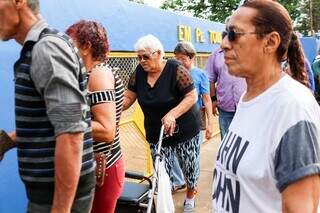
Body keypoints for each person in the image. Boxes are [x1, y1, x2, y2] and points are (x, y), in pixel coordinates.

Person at [212, 1, 320, 212]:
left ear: (270, 42)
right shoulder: (249, 97)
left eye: (234, 34)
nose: (224, 44)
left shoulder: (292, 109)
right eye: (224, 34)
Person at [0, 0, 96, 212]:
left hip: (56, 197)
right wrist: (7, 141)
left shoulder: (46, 48)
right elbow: (49, 122)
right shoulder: (42, 46)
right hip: (49, 193)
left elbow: (71, 133)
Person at [123, 34, 201, 212]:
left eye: (145, 56)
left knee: (189, 167)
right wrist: (111, 109)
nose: (141, 61)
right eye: (139, 57)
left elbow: (191, 96)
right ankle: (167, 198)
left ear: (158, 53)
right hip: (156, 132)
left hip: (185, 130)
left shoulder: (176, 69)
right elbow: (128, 97)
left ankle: (190, 195)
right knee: (161, 172)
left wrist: (173, 113)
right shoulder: (139, 73)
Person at [66, 20, 125, 213]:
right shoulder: (90, 73)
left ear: (86, 46)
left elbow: (107, 130)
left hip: (103, 169)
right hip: (96, 168)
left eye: (70, 43)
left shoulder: (98, 75)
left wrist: (63, 121)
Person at [170, 41, 213, 193]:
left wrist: (210, 124)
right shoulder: (173, 73)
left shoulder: (201, 75)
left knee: (191, 157)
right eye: (176, 58)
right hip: (177, 118)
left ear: (191, 57)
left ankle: (191, 185)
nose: (179, 61)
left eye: (182, 58)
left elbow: (207, 99)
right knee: (173, 152)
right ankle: (179, 180)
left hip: (196, 118)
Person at [205, 47, 246, 140]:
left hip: (247, 108)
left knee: (247, 142)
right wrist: (213, 99)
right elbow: (210, 79)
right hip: (225, 109)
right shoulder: (216, 54)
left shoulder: (248, 49)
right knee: (227, 142)